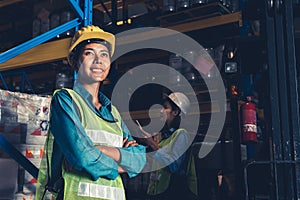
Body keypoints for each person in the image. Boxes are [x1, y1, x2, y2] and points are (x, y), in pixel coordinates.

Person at [36, 25, 146, 200]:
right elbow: (82, 157)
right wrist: (121, 163)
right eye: (89, 53)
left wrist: (101, 149)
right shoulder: (66, 100)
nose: (98, 60)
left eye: (104, 54)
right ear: (76, 61)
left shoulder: (114, 113)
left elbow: (140, 159)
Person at [140, 92, 197, 200]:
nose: (161, 111)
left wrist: (152, 144)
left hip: (174, 192)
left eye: (165, 108)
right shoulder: (165, 137)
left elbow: (174, 166)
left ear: (175, 112)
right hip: (159, 192)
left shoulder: (181, 134)